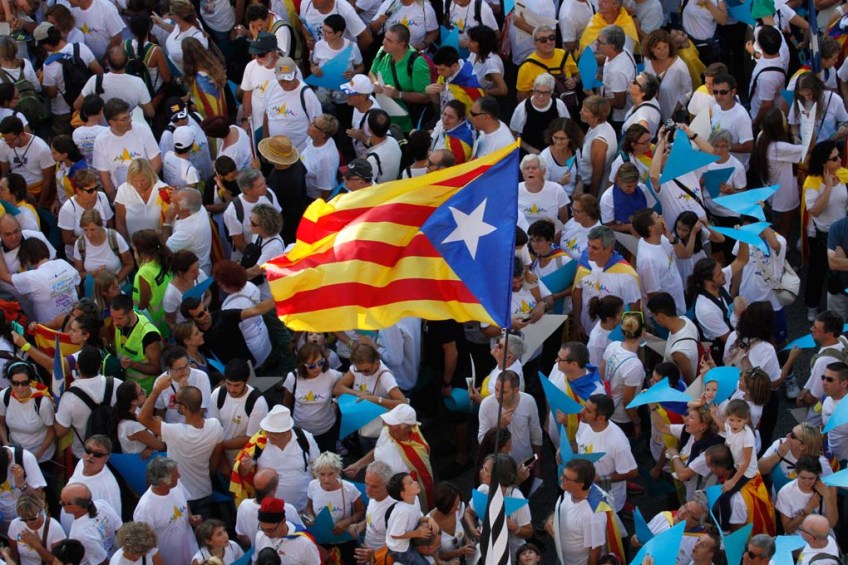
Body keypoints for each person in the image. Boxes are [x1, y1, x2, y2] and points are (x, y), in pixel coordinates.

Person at [137, 377, 223, 518]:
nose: (175, 404)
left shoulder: (175, 432)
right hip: (205, 491)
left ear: (183, 408)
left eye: (177, 402)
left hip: (180, 496)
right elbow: (216, 457)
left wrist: (157, 390)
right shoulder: (215, 426)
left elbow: (143, 417)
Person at [232, 405, 320, 513]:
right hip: (269, 511)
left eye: (273, 433)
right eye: (267, 431)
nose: (268, 435)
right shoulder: (259, 441)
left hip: (303, 508)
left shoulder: (305, 438)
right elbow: (243, 474)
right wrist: (245, 466)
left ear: (286, 431)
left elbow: (317, 467)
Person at [804, 141, 848, 321]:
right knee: (818, 272)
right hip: (822, 235)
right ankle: (812, 305)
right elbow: (814, 210)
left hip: (843, 234)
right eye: (834, 158)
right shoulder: (812, 182)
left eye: (839, 156)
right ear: (823, 162)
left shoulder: (843, 175)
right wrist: (828, 187)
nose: (840, 161)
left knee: (839, 272)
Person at [572, 225, 641, 340]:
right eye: (588, 245)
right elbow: (577, 294)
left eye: (595, 248)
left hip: (614, 337)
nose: (589, 251)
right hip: (586, 331)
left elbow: (634, 305)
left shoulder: (626, 274)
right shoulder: (584, 264)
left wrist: (628, 337)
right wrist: (577, 323)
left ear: (608, 248)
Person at [132, 458, 198, 565]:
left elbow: (185, 501)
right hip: (169, 560)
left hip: (191, 552)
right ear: (163, 481)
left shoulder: (177, 484)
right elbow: (146, 544)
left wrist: (190, 517)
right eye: (175, 476)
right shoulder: (145, 509)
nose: (179, 476)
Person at [207, 359, 270, 468]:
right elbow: (212, 429)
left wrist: (219, 447)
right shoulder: (217, 394)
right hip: (220, 457)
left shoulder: (258, 403)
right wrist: (221, 459)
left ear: (247, 380)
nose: (231, 389)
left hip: (246, 462)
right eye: (228, 384)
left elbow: (251, 439)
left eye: (236, 385)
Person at [93, 99, 161, 200]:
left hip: (149, 190)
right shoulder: (101, 141)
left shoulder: (142, 130)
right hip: (124, 197)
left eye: (129, 115)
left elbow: (157, 163)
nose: (130, 120)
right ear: (112, 122)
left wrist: (144, 185)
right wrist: (116, 200)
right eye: (124, 119)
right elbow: (105, 179)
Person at [368, 24, 430, 133]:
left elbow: (425, 97)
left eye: (389, 40)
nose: (383, 42)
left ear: (401, 45)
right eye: (385, 37)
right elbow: (372, 73)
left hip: (405, 126)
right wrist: (375, 83)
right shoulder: (383, 51)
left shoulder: (417, 63)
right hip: (383, 119)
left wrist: (399, 94)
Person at [303, 452, 364, 562]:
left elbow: (360, 511)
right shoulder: (313, 485)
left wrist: (346, 522)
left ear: (337, 471)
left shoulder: (349, 489)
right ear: (316, 473)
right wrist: (311, 517)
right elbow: (309, 507)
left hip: (345, 540)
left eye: (331, 474)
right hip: (322, 540)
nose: (326, 479)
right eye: (322, 474)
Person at [546, 459, 609, 565]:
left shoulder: (593, 515)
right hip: (563, 558)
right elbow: (562, 509)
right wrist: (552, 518)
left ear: (580, 485)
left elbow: (595, 550)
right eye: (563, 475)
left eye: (566, 478)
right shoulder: (569, 492)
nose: (561, 479)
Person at [282, 343, 343, 453]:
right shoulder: (293, 377)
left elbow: (348, 379)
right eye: (311, 365)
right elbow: (287, 402)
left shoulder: (331, 375)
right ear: (302, 365)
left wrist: (336, 402)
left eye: (320, 363)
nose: (317, 368)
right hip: (301, 431)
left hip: (327, 430)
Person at [60, 435, 122, 532]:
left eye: (98, 454)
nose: (90, 456)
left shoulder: (109, 487)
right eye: (88, 450)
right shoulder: (81, 463)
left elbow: (114, 523)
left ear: (106, 458)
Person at [0, 361, 56, 465]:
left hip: (41, 458)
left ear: (30, 382)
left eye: (24, 383)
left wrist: (36, 456)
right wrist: (6, 444)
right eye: (15, 383)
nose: (20, 388)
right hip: (15, 455)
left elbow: (51, 431)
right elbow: (1, 423)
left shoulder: (42, 402)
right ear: (9, 382)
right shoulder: (4, 396)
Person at [632, 209, 686, 314]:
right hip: (668, 314)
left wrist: (670, 237)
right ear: (651, 228)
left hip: (678, 303)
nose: (661, 217)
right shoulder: (648, 260)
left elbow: (684, 255)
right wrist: (669, 318)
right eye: (657, 217)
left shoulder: (662, 238)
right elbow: (653, 295)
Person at [0, 117, 55, 209]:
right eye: (5, 139)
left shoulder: (41, 149)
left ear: (21, 134)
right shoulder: (3, 145)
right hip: (14, 187)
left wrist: (40, 205)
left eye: (11, 139)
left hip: (36, 188)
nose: (8, 142)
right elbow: (4, 173)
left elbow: (48, 180)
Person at [61, 483, 122, 565]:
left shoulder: (80, 534)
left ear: (76, 507)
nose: (60, 503)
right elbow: (120, 530)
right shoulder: (102, 504)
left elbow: (103, 562)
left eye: (63, 503)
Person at [111, 294, 162, 393]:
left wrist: (133, 364)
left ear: (130, 313)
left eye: (119, 318)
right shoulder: (120, 324)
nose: (115, 322)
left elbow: (156, 368)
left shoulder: (149, 335)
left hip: (144, 391)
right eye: (113, 318)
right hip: (126, 386)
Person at [775, 455, 838, 533]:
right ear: (797, 474)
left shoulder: (828, 488)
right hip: (798, 536)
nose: (807, 482)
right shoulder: (785, 492)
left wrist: (827, 496)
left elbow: (832, 524)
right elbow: (788, 529)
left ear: (817, 475)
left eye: (811, 478)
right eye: (803, 478)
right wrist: (807, 510)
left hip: (823, 534)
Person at [510, 73, 569, 155]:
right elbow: (513, 135)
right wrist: (529, 148)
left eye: (545, 93)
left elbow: (567, 129)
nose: (541, 96)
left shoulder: (559, 105)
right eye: (538, 92)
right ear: (533, 90)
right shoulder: (522, 109)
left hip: (555, 152)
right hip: (530, 154)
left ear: (551, 92)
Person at [113, 159, 170, 240]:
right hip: (133, 245)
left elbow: (169, 223)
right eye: (135, 181)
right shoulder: (123, 190)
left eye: (143, 181)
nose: (139, 185)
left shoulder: (164, 190)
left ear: (150, 176)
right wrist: (125, 245)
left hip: (158, 243)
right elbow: (120, 223)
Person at [642, 29, 692, 120]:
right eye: (659, 48)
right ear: (652, 49)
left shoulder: (679, 66)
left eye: (665, 47)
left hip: (673, 117)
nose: (663, 51)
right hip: (653, 114)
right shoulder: (648, 61)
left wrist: (675, 109)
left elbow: (687, 92)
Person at [73, 210, 134, 284]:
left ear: (101, 226)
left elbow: (129, 264)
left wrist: (115, 283)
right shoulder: (80, 244)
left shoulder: (114, 237)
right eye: (85, 230)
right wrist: (93, 274)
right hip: (92, 288)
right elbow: (78, 274)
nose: (89, 234)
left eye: (93, 229)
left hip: (118, 287)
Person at [253, 497, 321, 563]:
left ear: (283, 521)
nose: (266, 534)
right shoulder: (260, 536)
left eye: (270, 530)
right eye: (262, 528)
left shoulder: (304, 543)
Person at [7, 492, 66, 565]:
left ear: (40, 511)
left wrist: (37, 546)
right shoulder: (15, 524)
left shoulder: (54, 528)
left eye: (32, 518)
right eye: (24, 519)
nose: (28, 522)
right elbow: (14, 554)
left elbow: (59, 563)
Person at [112, 380, 165, 456]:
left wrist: (150, 447)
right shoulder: (131, 426)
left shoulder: (135, 410)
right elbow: (161, 446)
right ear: (133, 401)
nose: (145, 391)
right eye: (141, 392)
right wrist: (161, 426)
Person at [578, 96, 617, 196]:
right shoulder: (601, 126)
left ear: (597, 117)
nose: (580, 112)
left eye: (585, 110)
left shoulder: (598, 141)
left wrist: (592, 197)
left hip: (587, 186)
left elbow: (597, 173)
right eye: (582, 108)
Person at [518, 154, 569, 226]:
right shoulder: (515, 190)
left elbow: (564, 222)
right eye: (527, 168)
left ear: (543, 172)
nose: (530, 170)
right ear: (522, 173)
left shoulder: (557, 190)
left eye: (534, 168)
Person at [540, 118, 582, 197]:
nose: (558, 142)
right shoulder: (544, 157)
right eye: (555, 137)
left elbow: (580, 172)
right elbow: (541, 189)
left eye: (562, 139)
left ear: (570, 138)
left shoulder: (575, 151)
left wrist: (580, 184)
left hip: (573, 198)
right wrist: (559, 183)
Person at [301, 113, 339, 200]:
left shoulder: (326, 159)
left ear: (322, 134)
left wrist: (320, 205)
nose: (310, 123)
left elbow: (326, 190)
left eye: (314, 125)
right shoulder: (313, 139)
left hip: (313, 198)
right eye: (314, 120)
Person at [622, 73, 661, 137]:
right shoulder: (651, 99)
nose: (631, 81)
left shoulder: (643, 112)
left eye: (635, 82)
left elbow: (644, 129)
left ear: (643, 92)